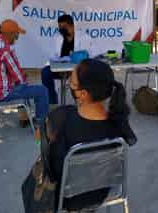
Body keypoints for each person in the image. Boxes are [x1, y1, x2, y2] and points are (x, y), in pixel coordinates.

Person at [44, 59, 137, 211]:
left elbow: (52, 169)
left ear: (83, 94)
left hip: (67, 198)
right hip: (101, 192)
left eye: (72, 82)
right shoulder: (118, 124)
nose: (68, 83)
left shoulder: (59, 118)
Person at [0, 19, 49, 134]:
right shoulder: (4, 49)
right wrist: (22, 77)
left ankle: (25, 118)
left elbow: (11, 68)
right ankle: (41, 125)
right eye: (16, 35)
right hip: (1, 94)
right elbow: (19, 78)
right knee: (41, 91)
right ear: (10, 34)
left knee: (25, 83)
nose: (17, 38)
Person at [41, 14, 94, 106]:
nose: (62, 30)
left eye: (64, 27)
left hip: (78, 70)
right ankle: (52, 103)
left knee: (77, 79)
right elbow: (54, 55)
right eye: (60, 27)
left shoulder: (84, 37)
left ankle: (81, 103)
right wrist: (57, 60)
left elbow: (88, 55)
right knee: (45, 73)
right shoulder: (58, 38)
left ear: (72, 26)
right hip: (60, 69)